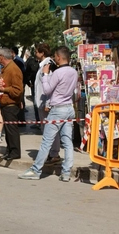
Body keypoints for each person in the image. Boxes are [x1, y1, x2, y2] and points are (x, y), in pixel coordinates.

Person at [18, 46, 78, 182]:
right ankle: (66, 172)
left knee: (47, 141)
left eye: (56, 56)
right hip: (68, 108)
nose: (54, 58)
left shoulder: (57, 73)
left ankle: (36, 169)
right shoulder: (73, 72)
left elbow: (47, 89)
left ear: (59, 57)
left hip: (57, 109)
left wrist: (45, 75)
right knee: (67, 141)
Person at [34, 43, 62, 165]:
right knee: (47, 129)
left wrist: (48, 103)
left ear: (42, 53)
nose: (35, 53)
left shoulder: (48, 66)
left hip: (46, 104)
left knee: (50, 130)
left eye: (36, 51)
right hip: (42, 103)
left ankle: (54, 154)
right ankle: (52, 153)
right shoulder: (43, 65)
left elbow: (51, 87)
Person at [0, 47, 24, 161]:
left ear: (2, 57)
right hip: (5, 103)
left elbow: (18, 90)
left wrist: (4, 89)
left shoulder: (13, 69)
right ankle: (10, 150)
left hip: (11, 104)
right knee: (8, 130)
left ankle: (14, 152)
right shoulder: (6, 68)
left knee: (12, 129)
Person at [24, 48, 40, 128]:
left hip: (39, 86)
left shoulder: (44, 63)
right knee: (36, 103)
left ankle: (40, 121)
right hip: (34, 85)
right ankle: (39, 121)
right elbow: (27, 73)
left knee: (38, 103)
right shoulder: (32, 62)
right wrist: (28, 82)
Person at [11, 46, 27, 127]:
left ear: (13, 52)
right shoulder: (16, 60)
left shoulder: (18, 61)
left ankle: (21, 120)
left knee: (20, 101)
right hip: (19, 84)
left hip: (19, 84)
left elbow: (23, 73)